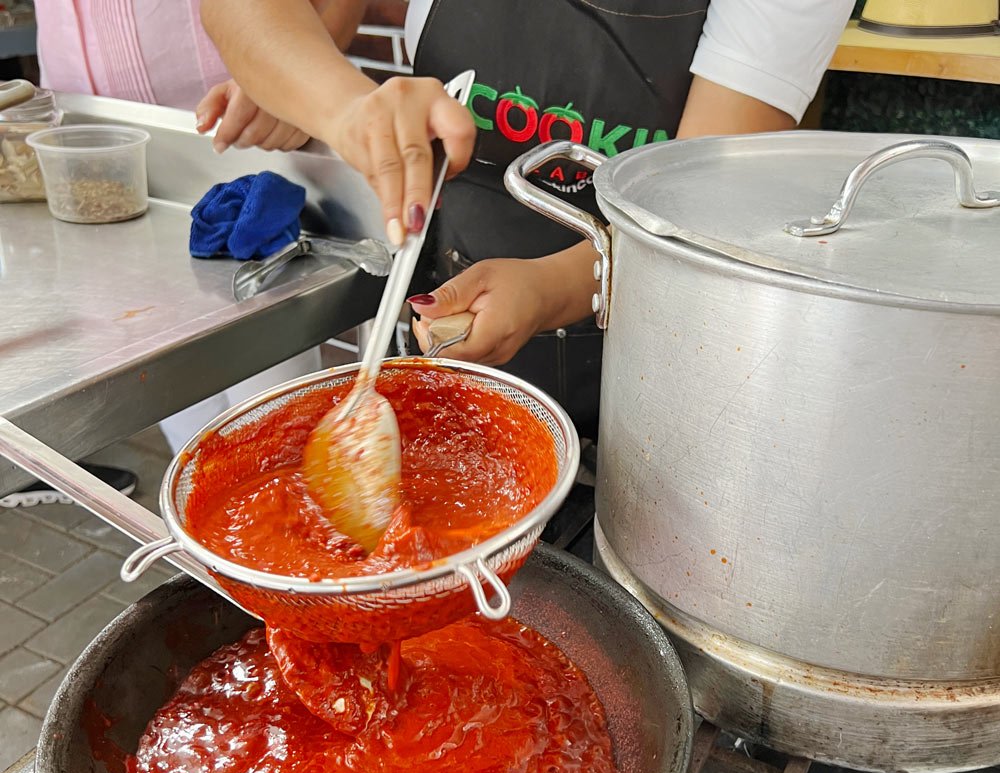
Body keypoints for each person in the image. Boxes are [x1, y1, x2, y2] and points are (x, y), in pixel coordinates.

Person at [201, 0, 854, 442]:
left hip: (652, 388)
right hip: (446, 327)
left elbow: (703, 205)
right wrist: (338, 106)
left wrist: (550, 292)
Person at [2, 2, 339, 507]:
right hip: (85, 152)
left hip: (244, 136)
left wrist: (292, 78)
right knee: (187, 427)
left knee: (284, 441)